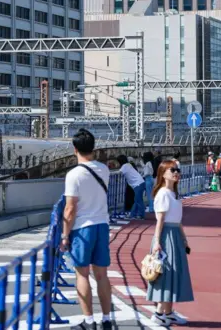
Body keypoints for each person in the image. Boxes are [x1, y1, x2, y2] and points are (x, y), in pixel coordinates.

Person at [61, 129, 113, 330]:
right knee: (102, 275)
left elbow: (70, 208)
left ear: (75, 149)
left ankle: (89, 321)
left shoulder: (73, 175)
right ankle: (107, 319)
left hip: (82, 228)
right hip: (102, 225)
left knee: (82, 275)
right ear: (93, 148)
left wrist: (65, 235)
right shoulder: (104, 169)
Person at [148, 160, 193, 325]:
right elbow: (160, 220)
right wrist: (157, 242)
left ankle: (168, 312)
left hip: (174, 235)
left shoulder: (173, 194)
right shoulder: (163, 194)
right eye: (172, 170)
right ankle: (160, 312)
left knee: (174, 273)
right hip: (166, 236)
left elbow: (178, 220)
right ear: (163, 173)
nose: (176, 173)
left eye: (177, 170)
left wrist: (184, 238)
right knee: (166, 273)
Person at [117, 155, 146, 219]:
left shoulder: (124, 166)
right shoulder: (128, 164)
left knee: (138, 200)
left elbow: (119, 173)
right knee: (136, 200)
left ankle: (141, 215)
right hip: (140, 183)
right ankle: (133, 214)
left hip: (137, 184)